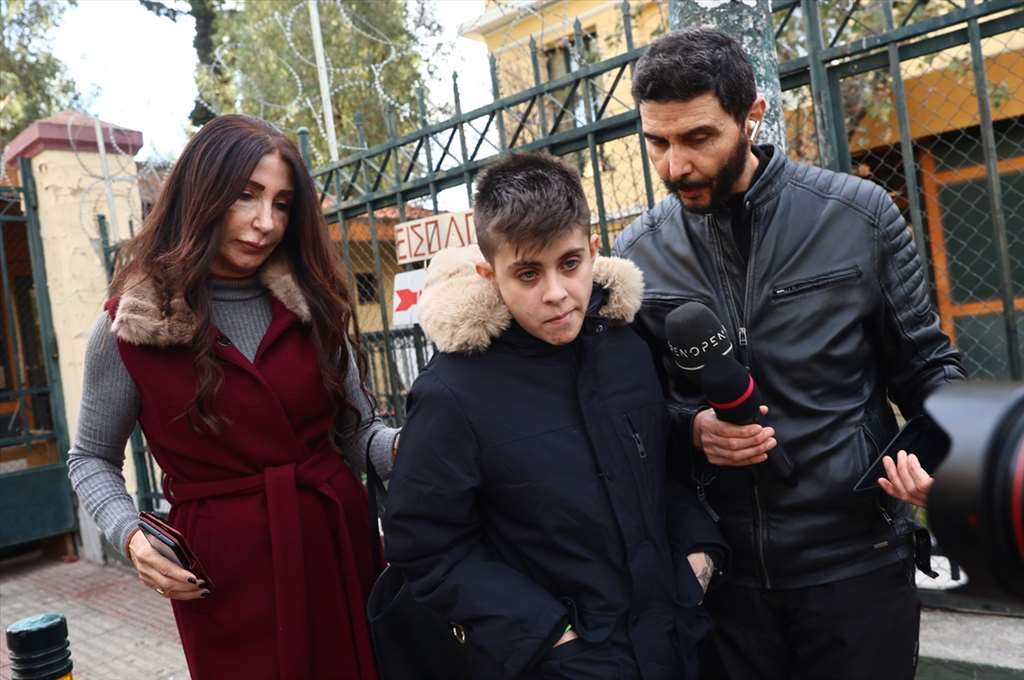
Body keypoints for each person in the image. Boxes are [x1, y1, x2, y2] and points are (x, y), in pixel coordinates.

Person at [612, 28, 965, 680]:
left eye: (698, 137)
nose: (674, 165)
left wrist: (943, 453)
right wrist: (692, 428)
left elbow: (927, 367)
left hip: (857, 565)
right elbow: (631, 413)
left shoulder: (858, 216)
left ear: (752, 115)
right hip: (723, 582)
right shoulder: (637, 255)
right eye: (656, 142)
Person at [67, 114, 397, 680]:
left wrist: (417, 446)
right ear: (201, 191)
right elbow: (90, 458)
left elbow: (359, 433)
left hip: (337, 551)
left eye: (282, 203)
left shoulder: (313, 305)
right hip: (222, 577)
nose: (266, 222)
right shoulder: (132, 324)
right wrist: (132, 536)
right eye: (246, 195)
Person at [382, 152, 727, 680]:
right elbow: (424, 544)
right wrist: (548, 635)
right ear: (490, 275)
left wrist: (698, 552)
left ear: (593, 250)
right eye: (527, 273)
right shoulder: (452, 392)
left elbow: (661, 470)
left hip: (676, 644)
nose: (556, 293)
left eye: (569, 264)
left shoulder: (626, 347)